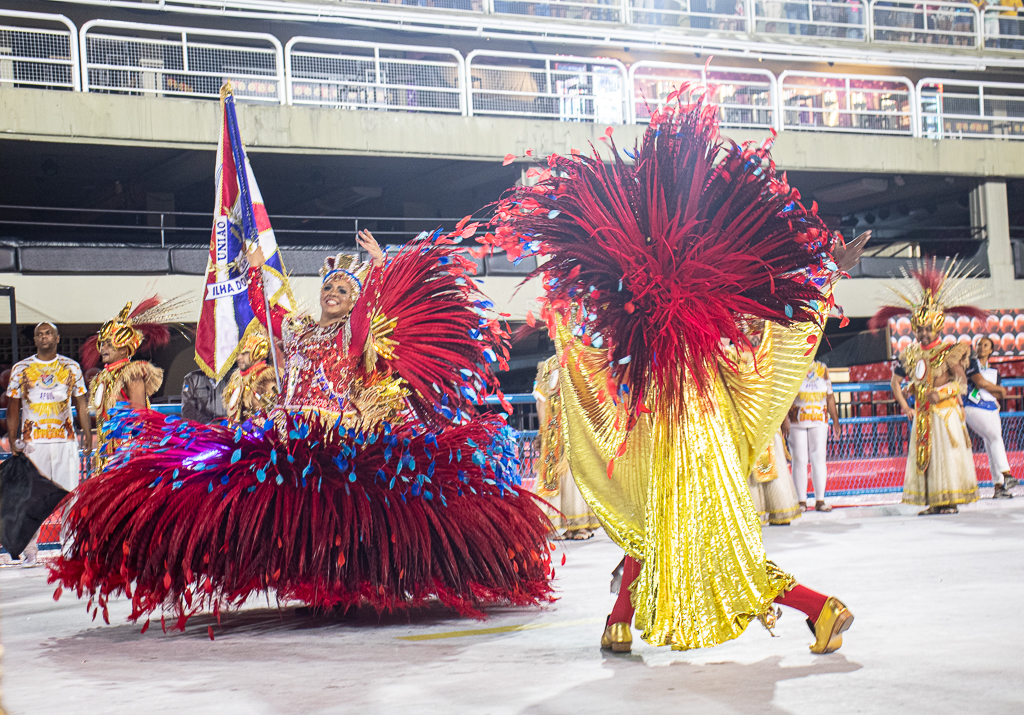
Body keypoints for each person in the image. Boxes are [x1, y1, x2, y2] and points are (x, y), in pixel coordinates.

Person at [488, 93, 869, 655]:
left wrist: (571, 328)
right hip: (687, 425)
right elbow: (767, 329)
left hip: (675, 429)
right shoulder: (706, 289)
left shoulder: (651, 289)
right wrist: (822, 277)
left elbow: (604, 348)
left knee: (709, 547)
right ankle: (619, 623)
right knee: (662, 525)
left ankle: (820, 607)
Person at [51, 230, 553, 629]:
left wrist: (377, 268)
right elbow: (267, 308)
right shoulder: (297, 331)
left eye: (342, 290)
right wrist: (252, 266)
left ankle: (343, 587)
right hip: (291, 432)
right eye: (328, 288)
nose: (333, 294)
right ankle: (311, 585)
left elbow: (366, 310)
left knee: (339, 517)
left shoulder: (355, 336)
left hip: (340, 437)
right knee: (276, 511)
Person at [874, 261, 982, 515]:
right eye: (919, 329)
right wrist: (911, 392)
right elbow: (902, 381)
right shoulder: (909, 354)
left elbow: (963, 384)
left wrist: (941, 393)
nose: (923, 333)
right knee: (929, 459)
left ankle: (949, 501)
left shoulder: (949, 351)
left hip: (944, 413)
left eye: (927, 329)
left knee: (945, 459)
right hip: (922, 412)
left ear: (937, 327)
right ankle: (934, 502)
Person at [4, 322, 91, 565]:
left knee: (70, 494)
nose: (44, 337)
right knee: (31, 497)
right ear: (35, 340)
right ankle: (31, 550)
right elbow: (13, 407)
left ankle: (71, 546)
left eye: (48, 333)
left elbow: (81, 404)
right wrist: (13, 440)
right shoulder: (21, 369)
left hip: (65, 440)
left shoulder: (71, 367)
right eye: (39, 334)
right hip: (33, 443)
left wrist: (86, 433)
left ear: (57, 337)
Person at [79, 298, 182, 471]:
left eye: (109, 344)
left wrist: (134, 451)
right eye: (102, 343)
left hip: (126, 450)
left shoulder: (132, 372)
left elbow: (140, 415)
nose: (103, 348)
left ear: (123, 348)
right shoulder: (102, 377)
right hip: (106, 450)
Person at [533, 356, 600, 540]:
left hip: (576, 433)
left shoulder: (580, 359)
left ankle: (580, 526)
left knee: (578, 476)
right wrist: (543, 431)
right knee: (553, 478)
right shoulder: (547, 366)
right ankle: (557, 525)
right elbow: (541, 400)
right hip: (554, 434)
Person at [788, 359, 842, 512]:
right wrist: (785, 419)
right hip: (796, 420)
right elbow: (784, 397)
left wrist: (836, 420)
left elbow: (829, 396)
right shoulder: (792, 366)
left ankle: (820, 500)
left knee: (819, 458)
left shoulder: (822, 368)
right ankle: (801, 501)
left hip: (819, 419)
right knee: (799, 459)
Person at [964, 335, 1015, 498]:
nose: (981, 348)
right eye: (979, 345)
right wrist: (998, 390)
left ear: (991, 350)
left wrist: (997, 391)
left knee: (991, 442)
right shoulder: (971, 364)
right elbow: (980, 383)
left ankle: (999, 486)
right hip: (973, 406)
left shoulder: (994, 371)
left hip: (992, 408)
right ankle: (1007, 474)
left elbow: (998, 394)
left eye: (985, 345)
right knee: (994, 437)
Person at [750, 423, 803, 526]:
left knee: (776, 466)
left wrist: (785, 419)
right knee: (750, 470)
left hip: (770, 424)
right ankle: (752, 513)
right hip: (746, 425)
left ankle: (780, 512)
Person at [223, 328, 278, 425]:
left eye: (245, 353)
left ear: (257, 353)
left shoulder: (266, 377)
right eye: (239, 354)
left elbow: (273, 413)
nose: (239, 358)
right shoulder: (237, 377)